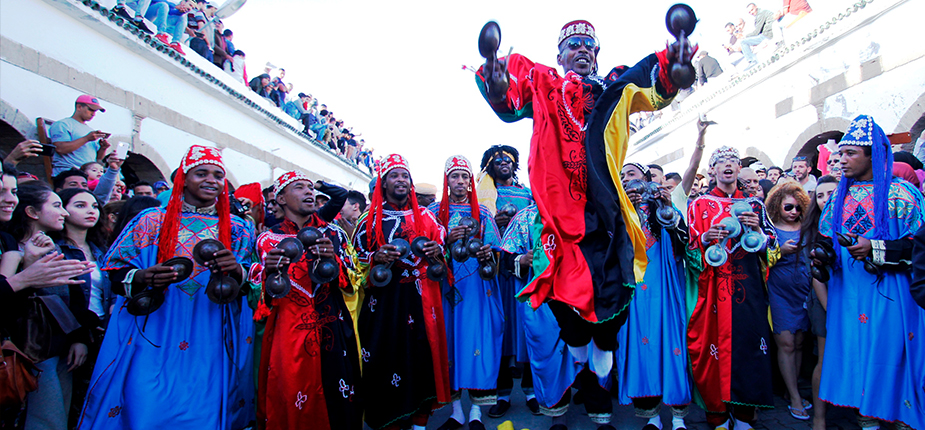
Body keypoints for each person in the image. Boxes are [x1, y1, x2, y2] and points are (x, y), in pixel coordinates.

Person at [475, 19, 693, 391]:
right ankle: (576, 340)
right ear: (559, 56)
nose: (582, 50)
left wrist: (674, 65)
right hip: (560, 210)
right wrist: (496, 83)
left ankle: (604, 343)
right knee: (558, 284)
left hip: (606, 206)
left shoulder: (613, 87)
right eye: (574, 44)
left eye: (589, 45)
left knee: (618, 282)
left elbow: (654, 88)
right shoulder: (546, 87)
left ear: (596, 54)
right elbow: (510, 102)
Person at [77, 146, 256, 430]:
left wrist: (236, 271)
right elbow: (113, 271)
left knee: (204, 412)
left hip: (211, 334)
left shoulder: (239, 229)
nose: (212, 180)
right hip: (154, 331)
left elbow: (253, 282)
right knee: (144, 406)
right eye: (201, 173)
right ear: (183, 178)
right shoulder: (149, 221)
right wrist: (143, 276)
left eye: (219, 175)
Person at [817, 115, 925, 430]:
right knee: (858, 364)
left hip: (892, 298)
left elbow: (919, 248)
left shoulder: (902, 195)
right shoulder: (837, 197)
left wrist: (875, 249)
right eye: (840, 153)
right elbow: (828, 240)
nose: (841, 159)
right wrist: (821, 255)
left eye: (851, 153)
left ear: (873, 154)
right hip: (849, 298)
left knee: (893, 363)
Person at [248, 171, 360, 430]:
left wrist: (332, 260)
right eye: (299, 188)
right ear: (281, 199)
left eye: (311, 188)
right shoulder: (267, 239)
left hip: (331, 321)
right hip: (288, 326)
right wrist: (269, 270)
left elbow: (349, 281)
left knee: (338, 388)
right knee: (291, 389)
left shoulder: (331, 233)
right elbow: (255, 287)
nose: (309, 192)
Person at [353, 154, 450, 430]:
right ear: (383, 183)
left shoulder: (428, 218)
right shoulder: (368, 221)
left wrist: (436, 252)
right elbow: (354, 264)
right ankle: (389, 420)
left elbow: (441, 256)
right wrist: (375, 258)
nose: (401, 181)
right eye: (394, 175)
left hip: (419, 300)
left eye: (405, 176)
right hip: (383, 305)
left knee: (420, 356)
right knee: (385, 357)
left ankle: (420, 420)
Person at [687, 146, 777, 430]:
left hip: (747, 288)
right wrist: (704, 238)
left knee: (750, 347)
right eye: (720, 162)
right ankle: (717, 415)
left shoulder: (756, 206)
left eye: (732, 162)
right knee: (711, 349)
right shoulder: (699, 204)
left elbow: (774, 247)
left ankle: (744, 415)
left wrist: (759, 233)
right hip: (712, 287)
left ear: (740, 170)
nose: (727, 165)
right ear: (712, 171)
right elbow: (686, 249)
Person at [0, 165, 94, 428]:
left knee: (58, 415)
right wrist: (27, 269)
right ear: (31, 212)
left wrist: (79, 338)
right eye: (56, 205)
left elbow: (74, 301)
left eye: (13, 191)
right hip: (28, 348)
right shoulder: (10, 248)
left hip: (60, 346)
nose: (63, 211)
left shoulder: (62, 249)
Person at [428, 156, 503, 430]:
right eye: (454, 176)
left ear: (471, 182)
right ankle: (456, 411)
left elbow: (496, 252)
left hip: (477, 288)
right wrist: (444, 240)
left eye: (464, 177)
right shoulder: (434, 212)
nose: (459, 182)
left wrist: (487, 253)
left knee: (475, 342)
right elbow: (425, 253)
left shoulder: (482, 213)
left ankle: (475, 414)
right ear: (446, 180)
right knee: (450, 343)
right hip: (446, 286)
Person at [617, 164, 692, 430]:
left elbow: (685, 244)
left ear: (647, 180)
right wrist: (626, 210)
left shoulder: (663, 206)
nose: (627, 179)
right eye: (622, 176)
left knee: (671, 341)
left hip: (665, 285)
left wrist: (666, 207)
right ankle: (652, 417)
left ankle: (679, 417)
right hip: (634, 288)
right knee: (641, 345)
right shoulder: (617, 211)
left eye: (632, 174)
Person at [474, 145, 534, 418]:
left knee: (529, 329)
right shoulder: (484, 198)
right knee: (501, 330)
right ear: (489, 167)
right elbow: (478, 229)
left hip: (528, 272)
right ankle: (502, 394)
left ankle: (532, 391)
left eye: (508, 160)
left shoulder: (529, 195)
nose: (503, 164)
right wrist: (494, 226)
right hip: (497, 273)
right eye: (496, 161)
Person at [54, 188, 114, 428]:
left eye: (93, 206)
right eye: (80, 205)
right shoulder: (55, 250)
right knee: (69, 399)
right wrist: (79, 337)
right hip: (71, 334)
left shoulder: (101, 250)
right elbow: (59, 297)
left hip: (102, 330)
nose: (91, 211)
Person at [764, 181, 813, 420]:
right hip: (779, 294)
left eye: (797, 207)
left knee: (800, 342)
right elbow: (761, 262)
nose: (794, 212)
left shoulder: (808, 228)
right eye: (788, 207)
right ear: (777, 206)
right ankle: (794, 397)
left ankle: (789, 390)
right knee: (786, 343)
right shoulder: (770, 230)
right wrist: (781, 250)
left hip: (804, 294)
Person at [802, 174, 836, 430]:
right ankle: (819, 418)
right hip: (824, 298)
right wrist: (831, 310)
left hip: (856, 300)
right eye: (821, 195)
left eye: (831, 193)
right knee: (824, 359)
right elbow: (816, 277)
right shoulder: (813, 229)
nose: (826, 199)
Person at [49, 95, 111, 176]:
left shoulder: (90, 130)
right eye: (91, 110)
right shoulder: (63, 124)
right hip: (68, 173)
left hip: (88, 175)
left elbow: (97, 159)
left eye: (95, 111)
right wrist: (86, 139)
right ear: (79, 107)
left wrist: (103, 148)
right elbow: (60, 149)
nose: (93, 114)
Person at [740, 2, 776, 68]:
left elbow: (757, 32)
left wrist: (744, 36)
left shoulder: (761, 14)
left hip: (767, 34)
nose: (751, 12)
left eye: (752, 10)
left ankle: (752, 61)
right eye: (749, 12)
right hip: (767, 33)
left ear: (756, 7)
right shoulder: (760, 14)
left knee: (743, 42)